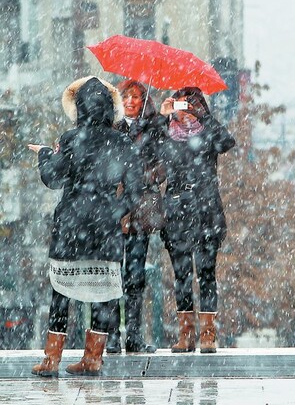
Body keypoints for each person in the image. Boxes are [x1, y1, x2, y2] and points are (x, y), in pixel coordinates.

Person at [28, 76, 142, 376]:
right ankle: (93, 358)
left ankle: (52, 359)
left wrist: (44, 154)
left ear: (79, 107)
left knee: (61, 290)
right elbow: (134, 189)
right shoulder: (123, 142)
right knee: (104, 291)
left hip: (71, 222)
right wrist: (114, 212)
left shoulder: (70, 139)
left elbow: (53, 178)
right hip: (105, 227)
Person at [156, 87, 235, 353]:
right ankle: (186, 334)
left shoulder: (208, 132)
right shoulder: (168, 132)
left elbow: (227, 141)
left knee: (206, 273)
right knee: (181, 275)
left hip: (206, 211)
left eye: (191, 103)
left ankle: (208, 335)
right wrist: (163, 117)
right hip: (177, 211)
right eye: (181, 103)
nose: (185, 108)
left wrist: (203, 118)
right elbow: (151, 153)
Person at [105, 80, 162, 354]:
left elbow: (162, 167)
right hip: (116, 211)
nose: (130, 101)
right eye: (126, 96)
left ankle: (135, 336)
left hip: (139, 211)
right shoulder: (111, 128)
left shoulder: (151, 130)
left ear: (143, 102)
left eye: (136, 97)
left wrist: (143, 175)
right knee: (114, 273)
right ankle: (112, 336)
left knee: (136, 275)